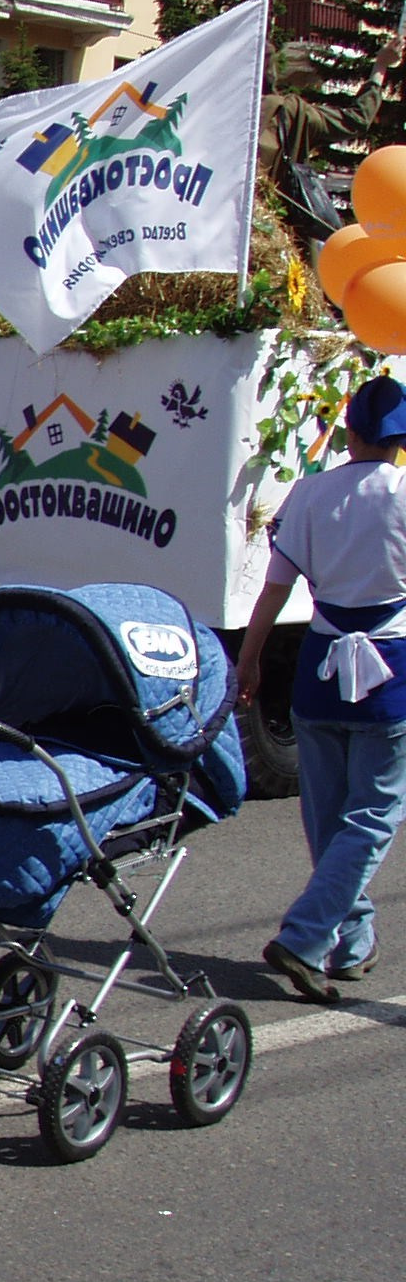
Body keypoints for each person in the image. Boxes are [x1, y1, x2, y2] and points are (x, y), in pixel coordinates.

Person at [238, 374, 406, 1002]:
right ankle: (307, 936)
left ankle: (352, 944)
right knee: (373, 817)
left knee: (329, 820)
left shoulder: (309, 493)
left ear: (349, 433)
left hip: (319, 672)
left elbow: (275, 588)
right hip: (391, 671)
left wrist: (250, 658)